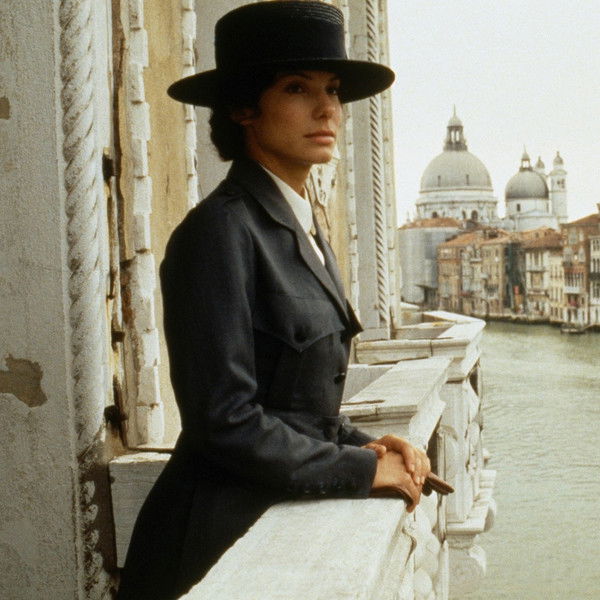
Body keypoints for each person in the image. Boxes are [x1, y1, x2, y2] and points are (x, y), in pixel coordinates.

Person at [117, 3, 433, 599]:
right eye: (296, 88)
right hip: (216, 541)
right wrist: (361, 469)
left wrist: (363, 443)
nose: (328, 109)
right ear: (243, 109)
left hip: (271, 519)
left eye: (332, 89)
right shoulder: (220, 232)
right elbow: (225, 420)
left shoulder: (302, 225)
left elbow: (294, 405)